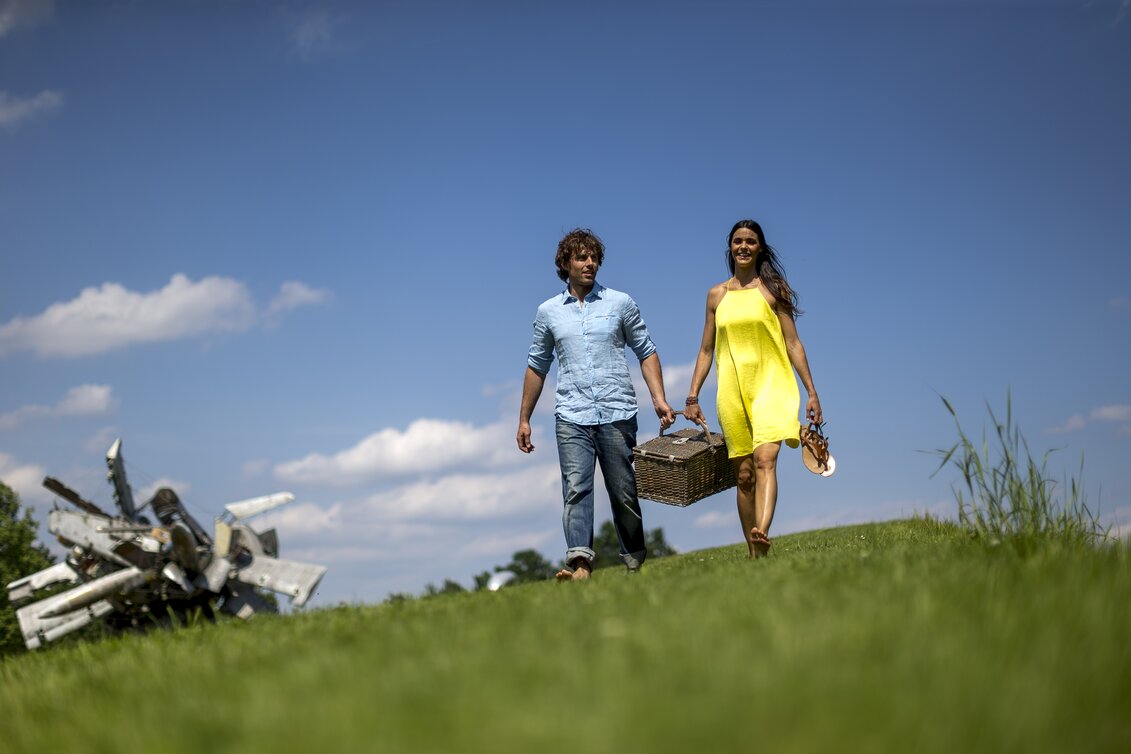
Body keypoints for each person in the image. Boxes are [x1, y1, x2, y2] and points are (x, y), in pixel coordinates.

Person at [517, 228, 676, 581]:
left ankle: (634, 560)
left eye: (594, 257)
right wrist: (524, 418)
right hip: (571, 414)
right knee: (576, 488)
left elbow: (646, 351)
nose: (590, 263)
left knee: (624, 491)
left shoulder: (621, 303)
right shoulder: (548, 313)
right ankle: (580, 564)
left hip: (617, 410)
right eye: (581, 257)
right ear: (565, 264)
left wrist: (659, 398)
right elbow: (536, 365)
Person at [683, 219, 823, 558]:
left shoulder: (774, 290)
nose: (743, 246)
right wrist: (692, 395)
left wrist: (812, 391)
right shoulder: (716, 295)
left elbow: (793, 344)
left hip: (772, 385)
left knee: (765, 461)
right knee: (744, 475)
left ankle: (762, 528)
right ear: (730, 248)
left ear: (759, 247)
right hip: (732, 392)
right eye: (737, 241)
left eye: (750, 241)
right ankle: (755, 551)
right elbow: (705, 349)